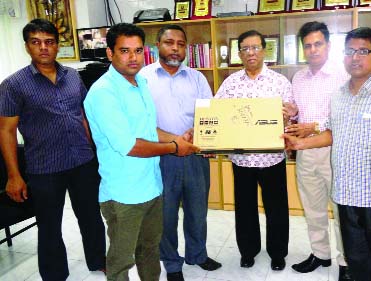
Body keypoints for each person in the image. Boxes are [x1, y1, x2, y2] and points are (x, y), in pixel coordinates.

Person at [83, 23, 200, 281]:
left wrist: (177, 139)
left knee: (149, 251)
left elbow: (149, 131)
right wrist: (174, 147)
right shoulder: (104, 93)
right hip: (123, 194)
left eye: (138, 50)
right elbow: (130, 145)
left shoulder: (140, 84)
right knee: (121, 260)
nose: (133, 57)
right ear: (110, 54)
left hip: (151, 186)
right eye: (124, 51)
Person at [283, 27, 371, 281]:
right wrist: (297, 138)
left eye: (363, 51)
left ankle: (350, 264)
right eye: (350, 51)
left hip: (364, 180)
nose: (355, 57)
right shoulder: (321, 88)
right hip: (329, 173)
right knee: (320, 216)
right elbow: (333, 127)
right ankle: (328, 258)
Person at [0, 19, 106, 281]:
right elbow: (6, 131)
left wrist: (95, 152)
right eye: (36, 42)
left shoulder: (72, 76)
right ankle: (55, 275)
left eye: (49, 42)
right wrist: (14, 175)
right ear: (27, 46)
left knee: (91, 217)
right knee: (49, 226)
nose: (43, 48)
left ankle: (98, 260)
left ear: (57, 46)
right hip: (44, 167)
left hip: (82, 160)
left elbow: (83, 115)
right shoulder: (14, 85)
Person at [140, 24, 221, 281]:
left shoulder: (197, 77)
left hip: (195, 155)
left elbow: (210, 114)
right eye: (169, 42)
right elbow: (141, 122)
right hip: (160, 156)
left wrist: (200, 138)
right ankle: (172, 264)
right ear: (157, 46)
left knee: (198, 211)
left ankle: (197, 254)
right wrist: (176, 140)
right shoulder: (143, 78)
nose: (175, 48)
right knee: (165, 215)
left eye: (181, 44)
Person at [214, 29, 297, 271]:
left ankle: (278, 252)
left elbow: (292, 117)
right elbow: (217, 113)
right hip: (242, 159)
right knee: (245, 208)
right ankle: (248, 251)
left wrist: (292, 113)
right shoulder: (230, 83)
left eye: (255, 47)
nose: (251, 53)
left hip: (272, 157)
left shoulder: (279, 82)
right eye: (245, 49)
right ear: (239, 53)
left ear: (264, 50)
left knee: (277, 208)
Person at [285, 22, 353, 281]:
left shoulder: (343, 76)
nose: (313, 50)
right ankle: (320, 253)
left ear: (328, 45)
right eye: (308, 45)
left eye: (318, 44)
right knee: (312, 208)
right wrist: (293, 114)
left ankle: (346, 261)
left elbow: (345, 116)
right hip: (305, 152)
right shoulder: (299, 78)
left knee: (340, 210)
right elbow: (299, 113)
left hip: (335, 149)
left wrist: (312, 126)